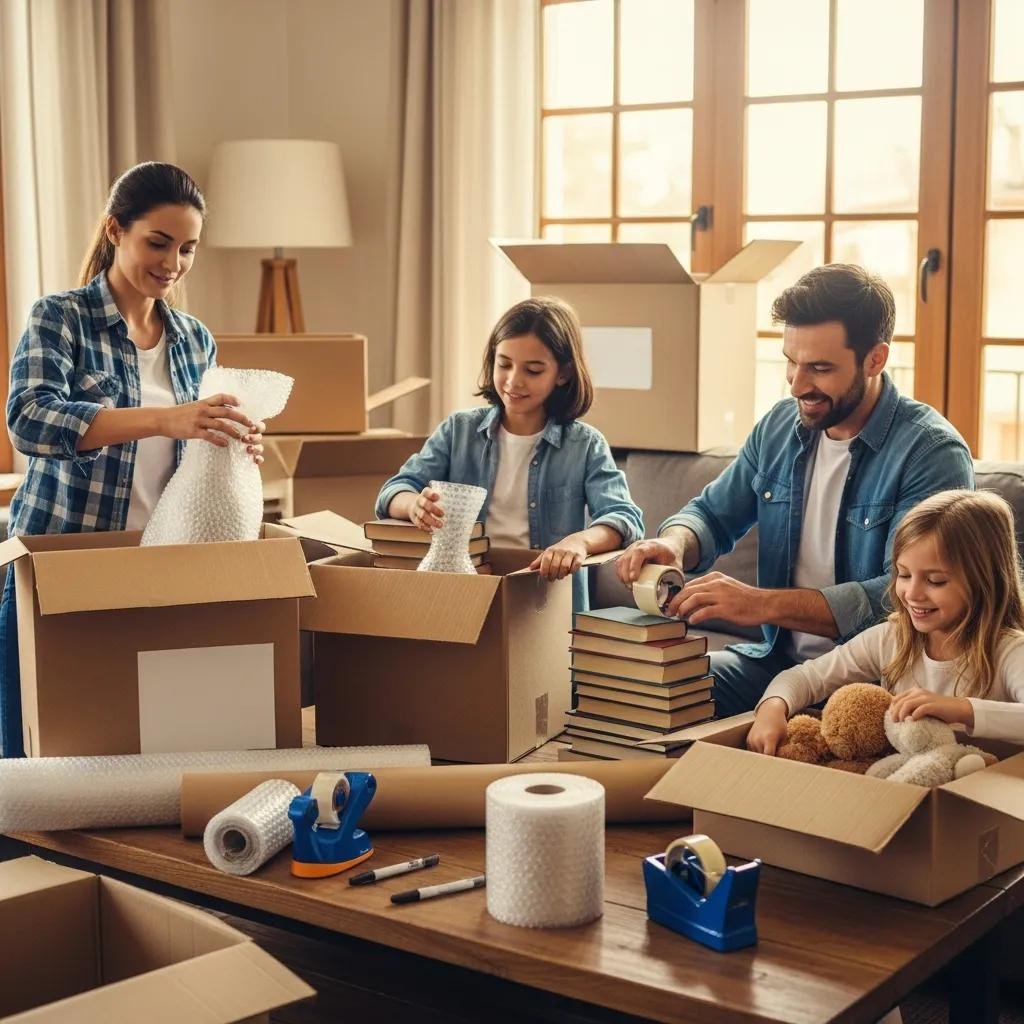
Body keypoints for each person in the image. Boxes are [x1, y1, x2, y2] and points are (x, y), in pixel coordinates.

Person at [616, 264, 974, 718]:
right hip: (777, 666)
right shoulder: (780, 427)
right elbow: (711, 514)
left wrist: (760, 605)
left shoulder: (930, 452)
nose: (798, 384)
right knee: (643, 691)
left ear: (875, 359)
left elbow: (899, 595)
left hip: (882, 684)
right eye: (791, 361)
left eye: (820, 368)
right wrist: (673, 544)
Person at [1, 161, 266, 757]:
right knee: (33, 753)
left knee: (134, 742)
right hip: (60, 559)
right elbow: (29, 419)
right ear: (116, 230)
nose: (172, 263)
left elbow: (194, 455)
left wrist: (234, 444)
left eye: (188, 248)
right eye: (158, 243)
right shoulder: (61, 316)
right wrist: (166, 418)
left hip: (156, 562)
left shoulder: (194, 338)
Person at [375, 296, 644, 611]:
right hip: (465, 593)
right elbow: (393, 491)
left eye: (533, 370)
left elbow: (626, 519)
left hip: (545, 604)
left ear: (563, 374)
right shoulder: (458, 430)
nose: (514, 381)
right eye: (504, 364)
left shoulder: (584, 445)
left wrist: (578, 543)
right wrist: (414, 506)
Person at [747, 489, 1024, 753]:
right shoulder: (891, 638)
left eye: (935, 581)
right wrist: (773, 706)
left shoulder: (1009, 650)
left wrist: (961, 709)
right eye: (904, 575)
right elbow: (806, 677)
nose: (912, 594)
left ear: (984, 581)